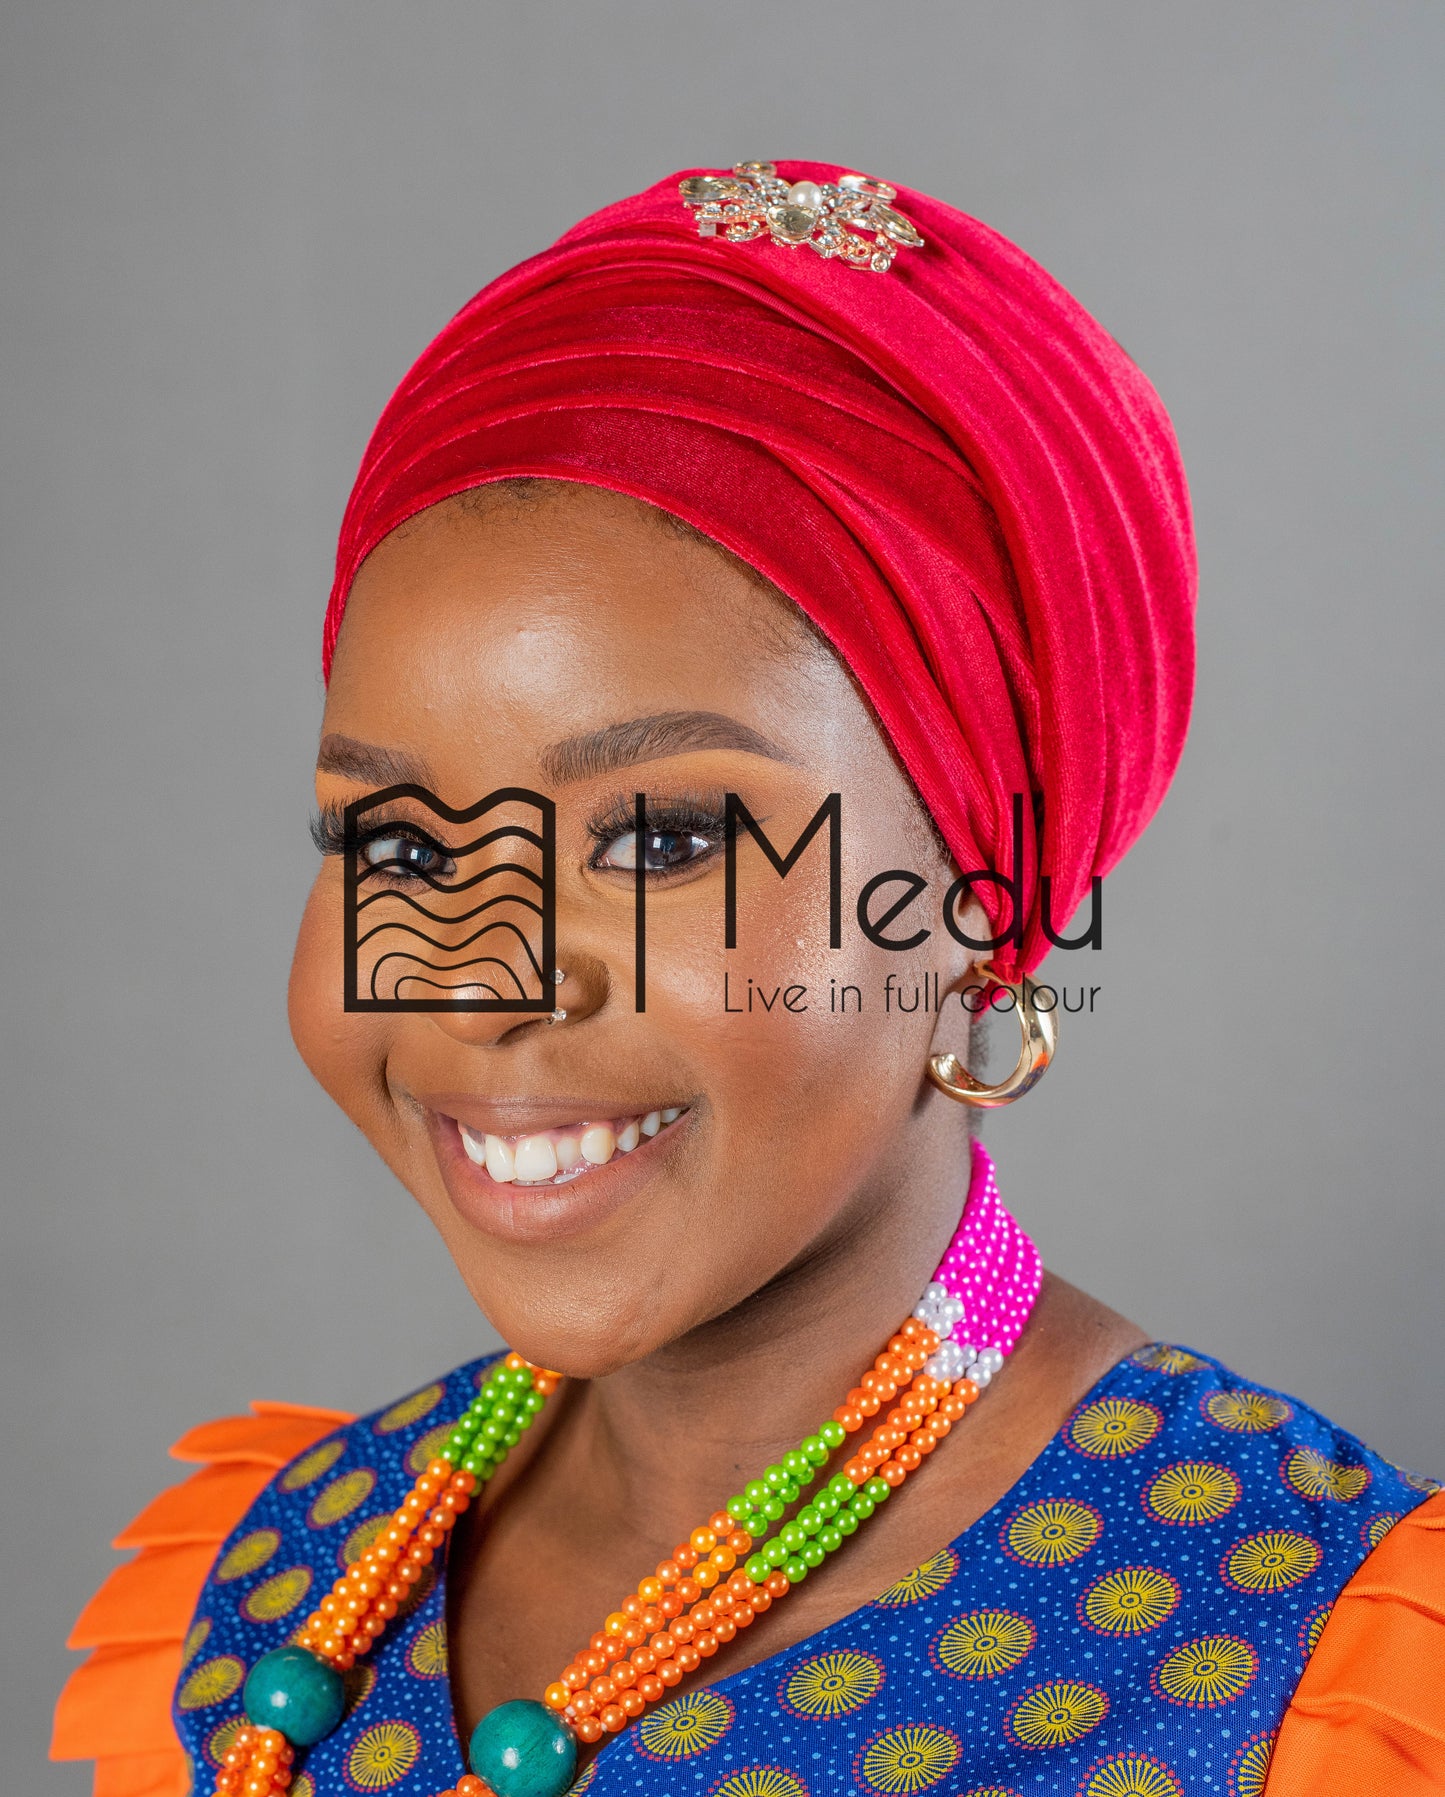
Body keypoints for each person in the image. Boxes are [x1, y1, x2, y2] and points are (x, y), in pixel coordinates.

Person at [53, 161, 1442, 1797]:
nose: (479, 983)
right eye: (404, 848)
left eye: (658, 841)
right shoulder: (267, 1591)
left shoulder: (1291, 1674)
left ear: (981, 907)